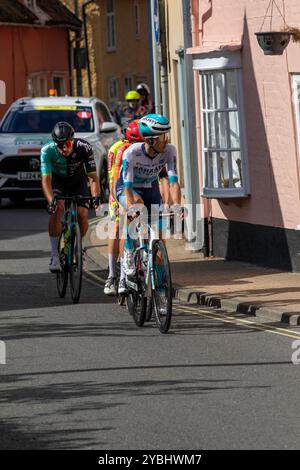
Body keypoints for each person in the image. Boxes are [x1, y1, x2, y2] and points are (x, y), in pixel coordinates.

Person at [115, 114, 182, 277]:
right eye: (161, 137)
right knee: (137, 206)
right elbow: (128, 189)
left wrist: (177, 206)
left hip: (150, 189)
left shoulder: (169, 151)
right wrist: (132, 210)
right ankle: (129, 252)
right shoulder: (131, 153)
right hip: (128, 189)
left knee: (159, 239)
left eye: (166, 135)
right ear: (150, 140)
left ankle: (160, 286)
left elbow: (173, 183)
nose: (166, 140)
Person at [40, 121, 101, 273]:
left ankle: (77, 248)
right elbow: (46, 180)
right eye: (60, 145)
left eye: (67, 143)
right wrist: (50, 201)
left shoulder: (84, 147)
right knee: (57, 208)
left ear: (72, 140)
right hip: (58, 182)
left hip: (78, 181)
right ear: (55, 143)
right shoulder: (47, 151)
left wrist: (96, 197)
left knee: (82, 213)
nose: (64, 148)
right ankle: (54, 255)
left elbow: (93, 177)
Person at [104, 119, 144, 295]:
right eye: (133, 142)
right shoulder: (117, 149)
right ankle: (113, 276)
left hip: (139, 188)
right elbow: (113, 179)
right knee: (118, 226)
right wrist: (116, 200)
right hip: (119, 188)